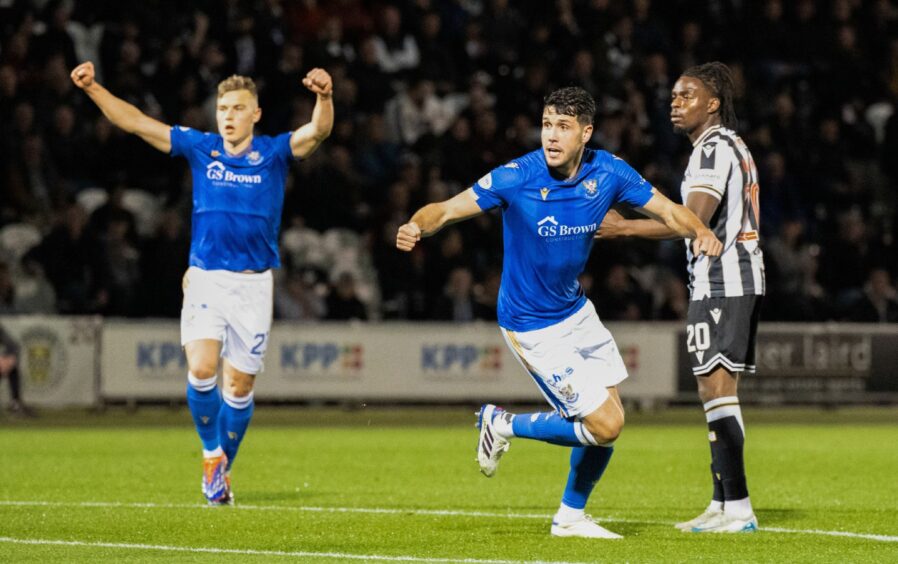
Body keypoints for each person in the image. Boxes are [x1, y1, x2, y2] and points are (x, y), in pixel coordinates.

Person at [396, 86, 722, 539]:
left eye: (563, 127)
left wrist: (701, 231)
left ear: (585, 133)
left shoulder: (608, 172)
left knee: (609, 417)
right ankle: (502, 423)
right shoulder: (518, 176)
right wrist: (416, 224)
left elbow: (669, 210)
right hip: (531, 324)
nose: (550, 135)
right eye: (547, 124)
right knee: (606, 425)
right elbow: (448, 208)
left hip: (576, 311)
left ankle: (570, 516)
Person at [70, 61, 333, 505]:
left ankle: (219, 471)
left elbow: (317, 133)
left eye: (238, 108)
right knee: (203, 368)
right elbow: (135, 122)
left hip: (254, 286)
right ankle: (212, 454)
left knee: (240, 389)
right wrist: (94, 87)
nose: (228, 115)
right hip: (208, 278)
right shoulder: (200, 148)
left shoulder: (273, 153)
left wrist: (324, 98)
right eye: (223, 108)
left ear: (256, 115)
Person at [597, 62, 764, 533]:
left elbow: (694, 220)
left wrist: (625, 226)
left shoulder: (713, 149)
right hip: (725, 278)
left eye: (687, 95)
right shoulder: (727, 146)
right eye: (673, 95)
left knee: (718, 391)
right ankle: (722, 502)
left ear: (713, 103)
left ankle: (740, 508)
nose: (675, 102)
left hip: (725, 279)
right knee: (712, 391)